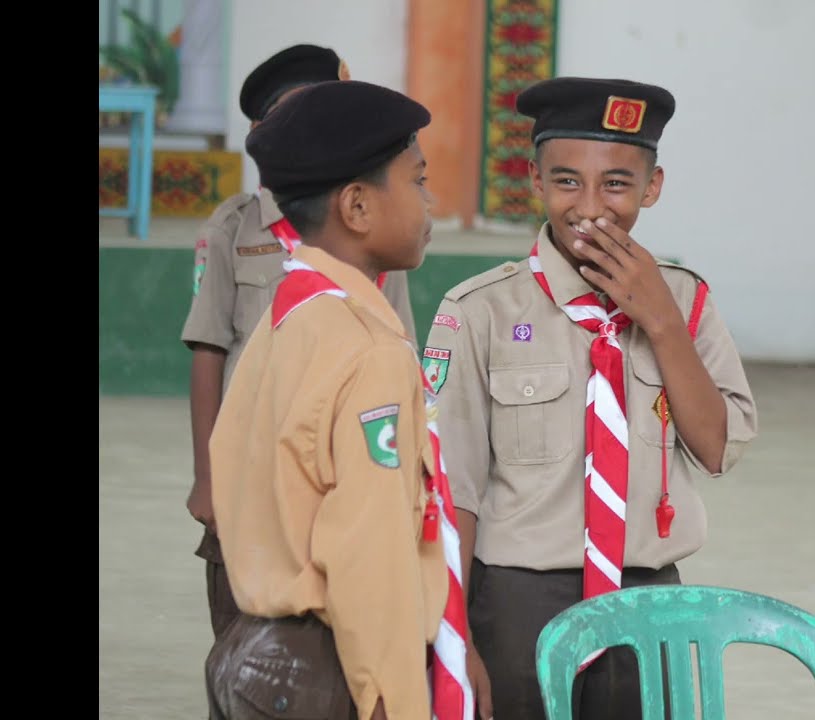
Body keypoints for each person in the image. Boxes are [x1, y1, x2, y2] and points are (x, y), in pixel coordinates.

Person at [423, 76, 758, 720]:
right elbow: (452, 490)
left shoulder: (685, 303)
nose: (591, 205)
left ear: (652, 188)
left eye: (618, 183)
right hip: (521, 600)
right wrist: (453, 634)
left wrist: (659, 321)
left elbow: (717, 448)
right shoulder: (481, 310)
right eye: (568, 180)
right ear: (535, 179)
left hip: (650, 599)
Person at [205, 79, 451, 720]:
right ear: (358, 208)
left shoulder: (289, 318)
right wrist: (394, 704)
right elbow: (368, 555)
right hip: (324, 672)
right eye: (418, 181)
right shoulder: (370, 350)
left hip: (250, 652)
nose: (431, 203)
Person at [180, 43, 417, 644]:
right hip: (250, 461)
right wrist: (207, 477)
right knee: (242, 631)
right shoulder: (233, 230)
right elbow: (208, 348)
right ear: (263, 132)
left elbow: (402, 352)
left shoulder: (379, 236)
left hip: (343, 463)